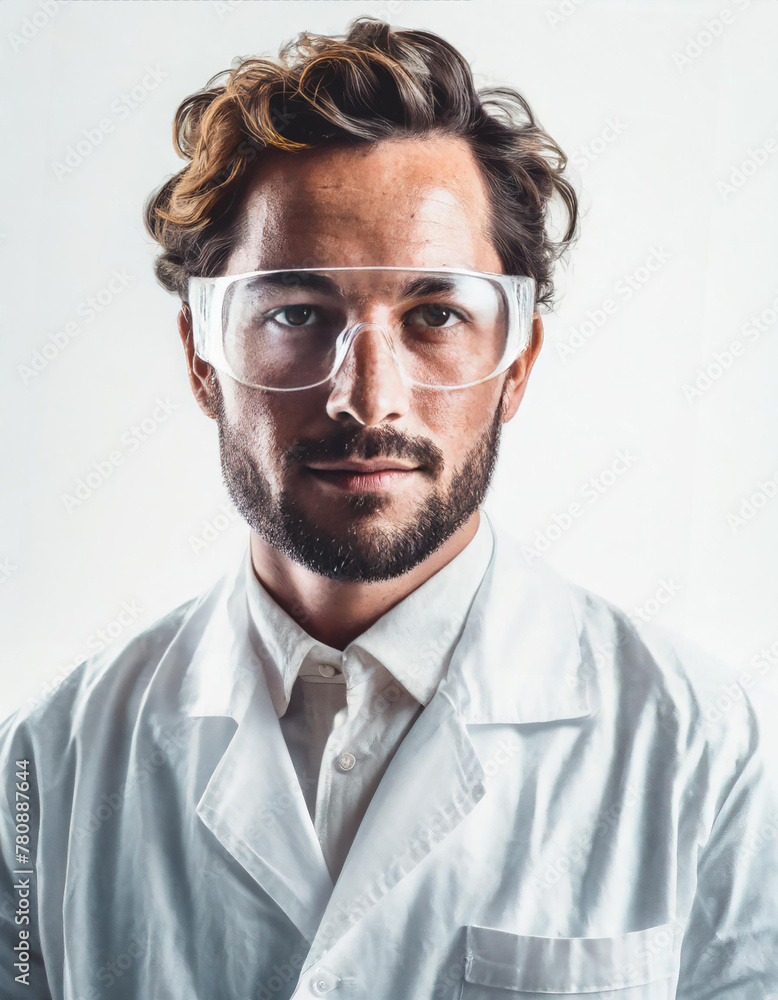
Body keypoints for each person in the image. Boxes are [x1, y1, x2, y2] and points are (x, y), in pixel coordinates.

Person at [1, 16, 776, 1000]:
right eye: (295, 312)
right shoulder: (50, 764)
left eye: (435, 313)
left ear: (519, 363)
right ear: (202, 360)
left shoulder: (694, 745)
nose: (366, 397)